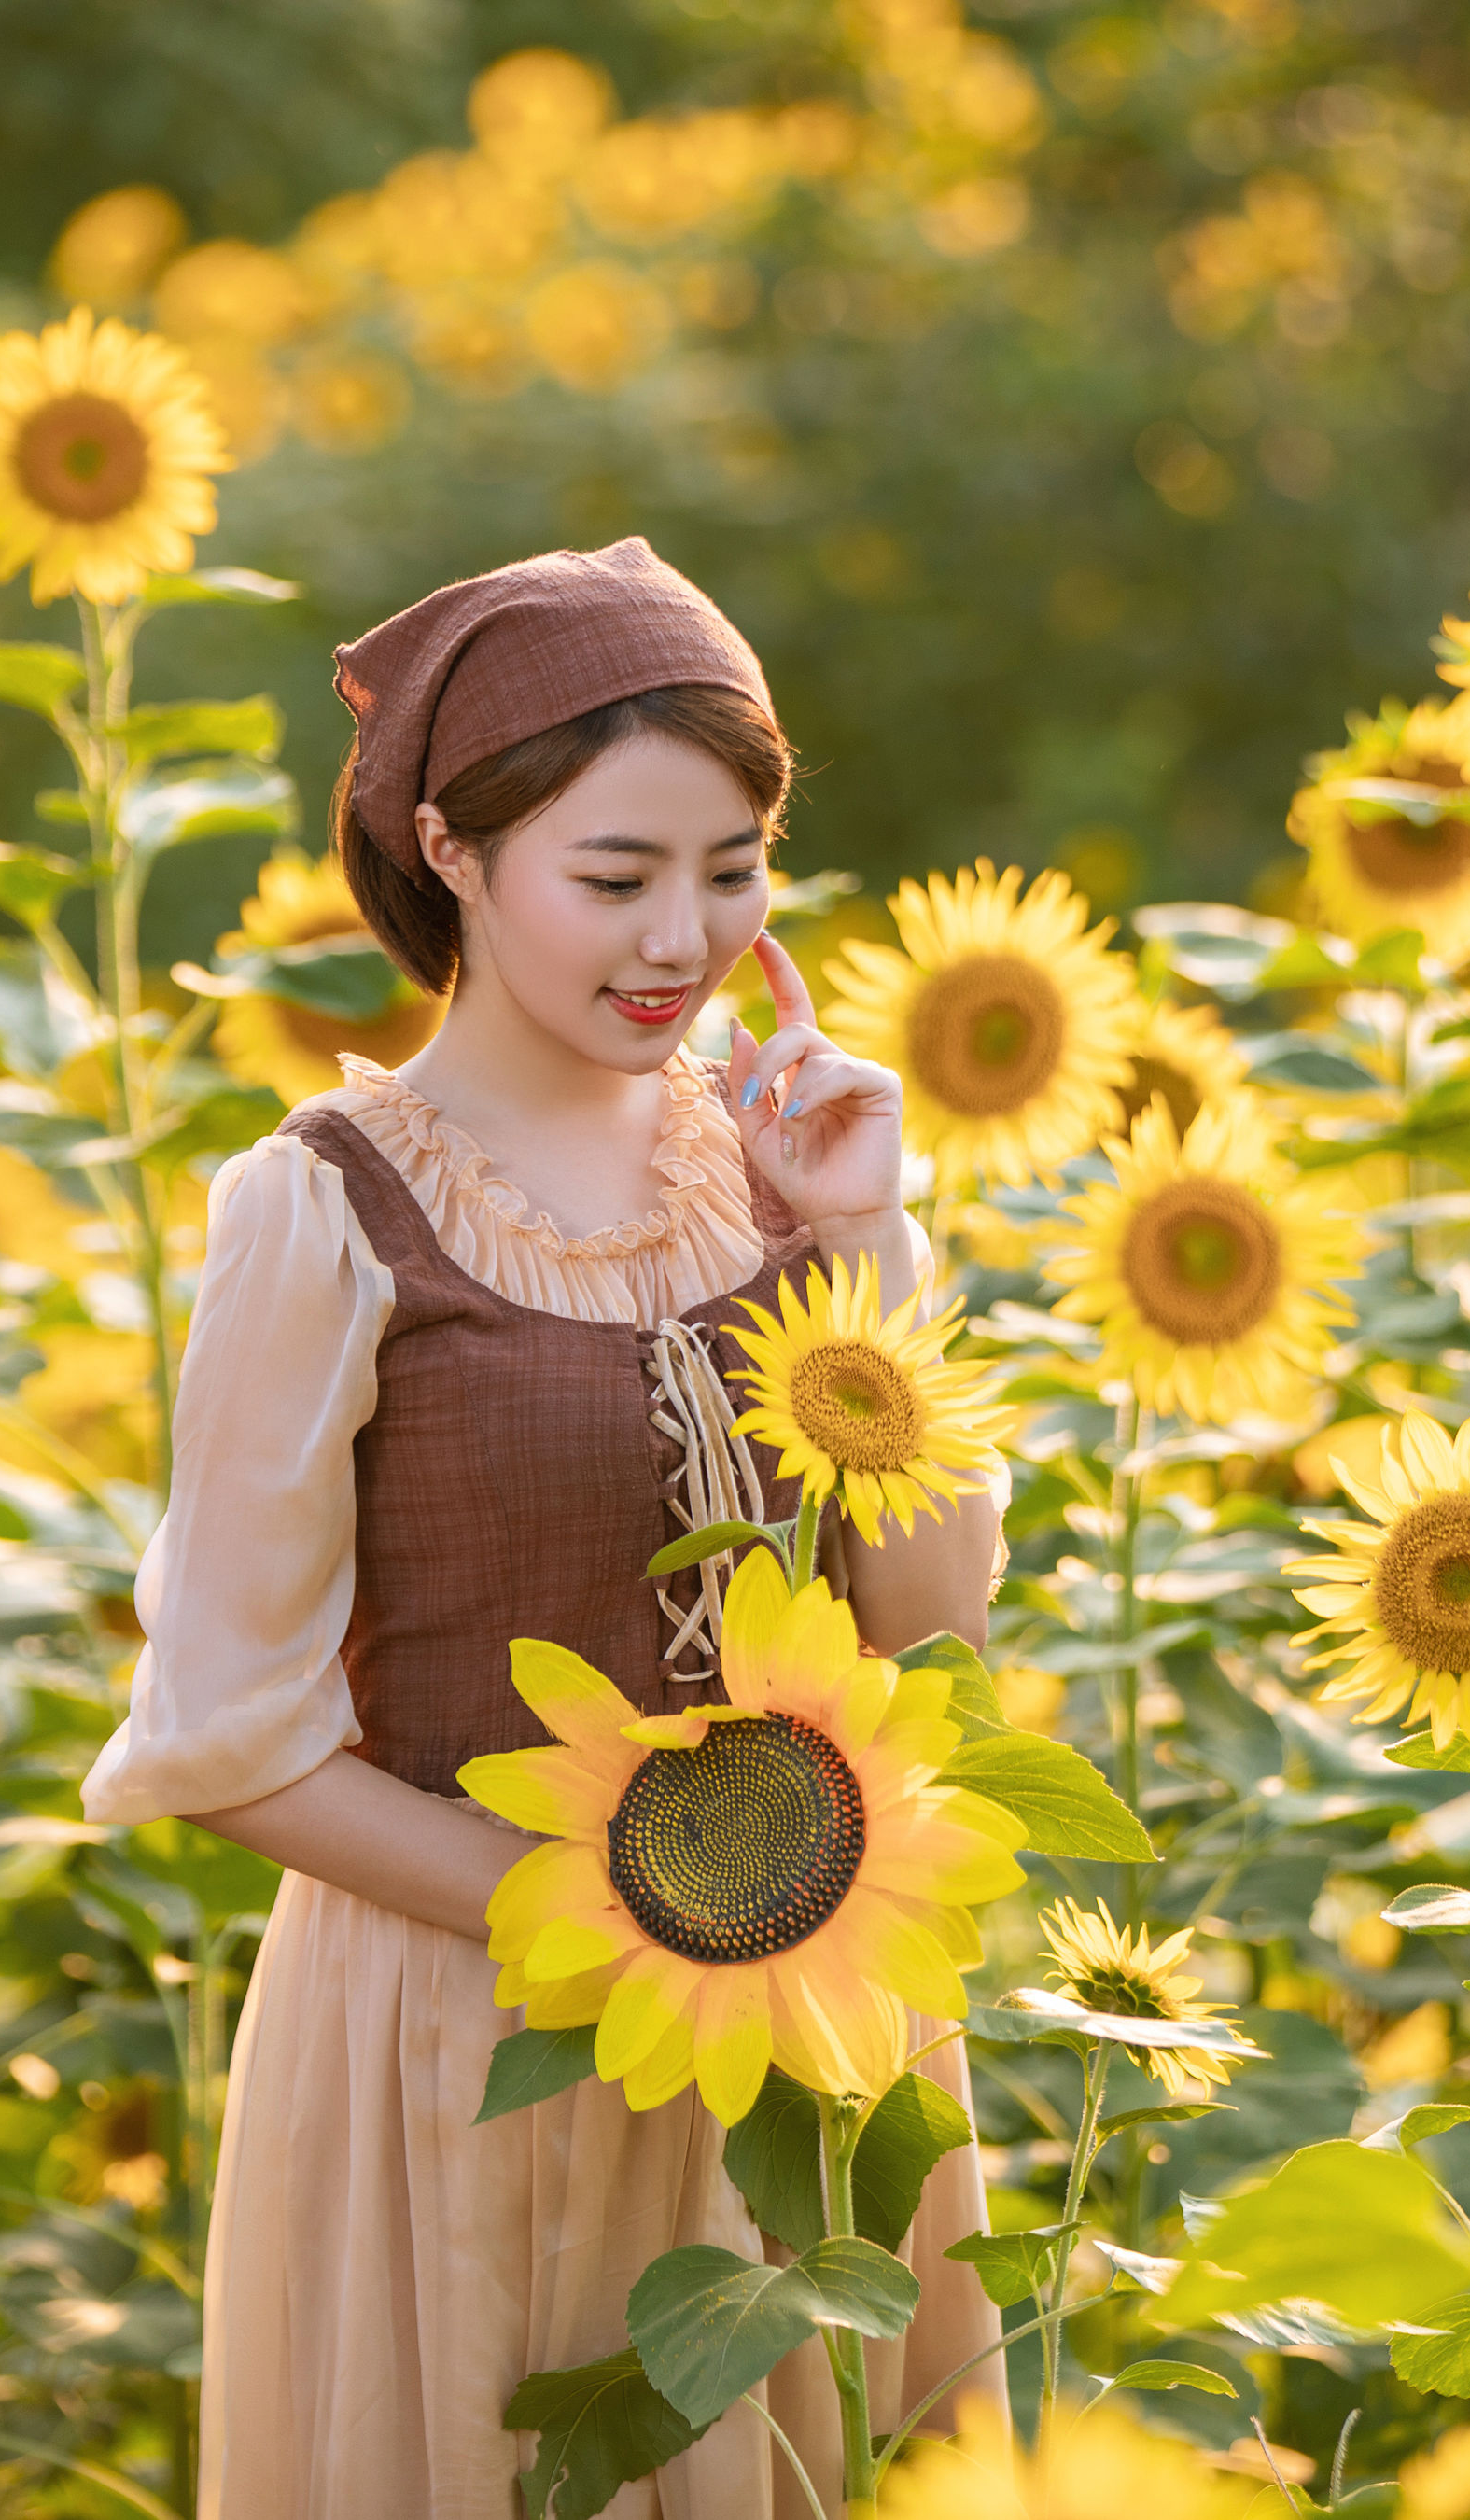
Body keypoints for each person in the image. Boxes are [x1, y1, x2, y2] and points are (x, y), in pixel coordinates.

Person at [80, 538, 1008, 2518]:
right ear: (454, 852)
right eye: (617, 875)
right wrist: (609, 1910)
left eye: (735, 865)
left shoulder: (774, 1167)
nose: (682, 936)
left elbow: (932, 1613)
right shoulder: (326, 1208)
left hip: (809, 2023)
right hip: (471, 2038)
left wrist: (862, 1232)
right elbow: (227, 1742)